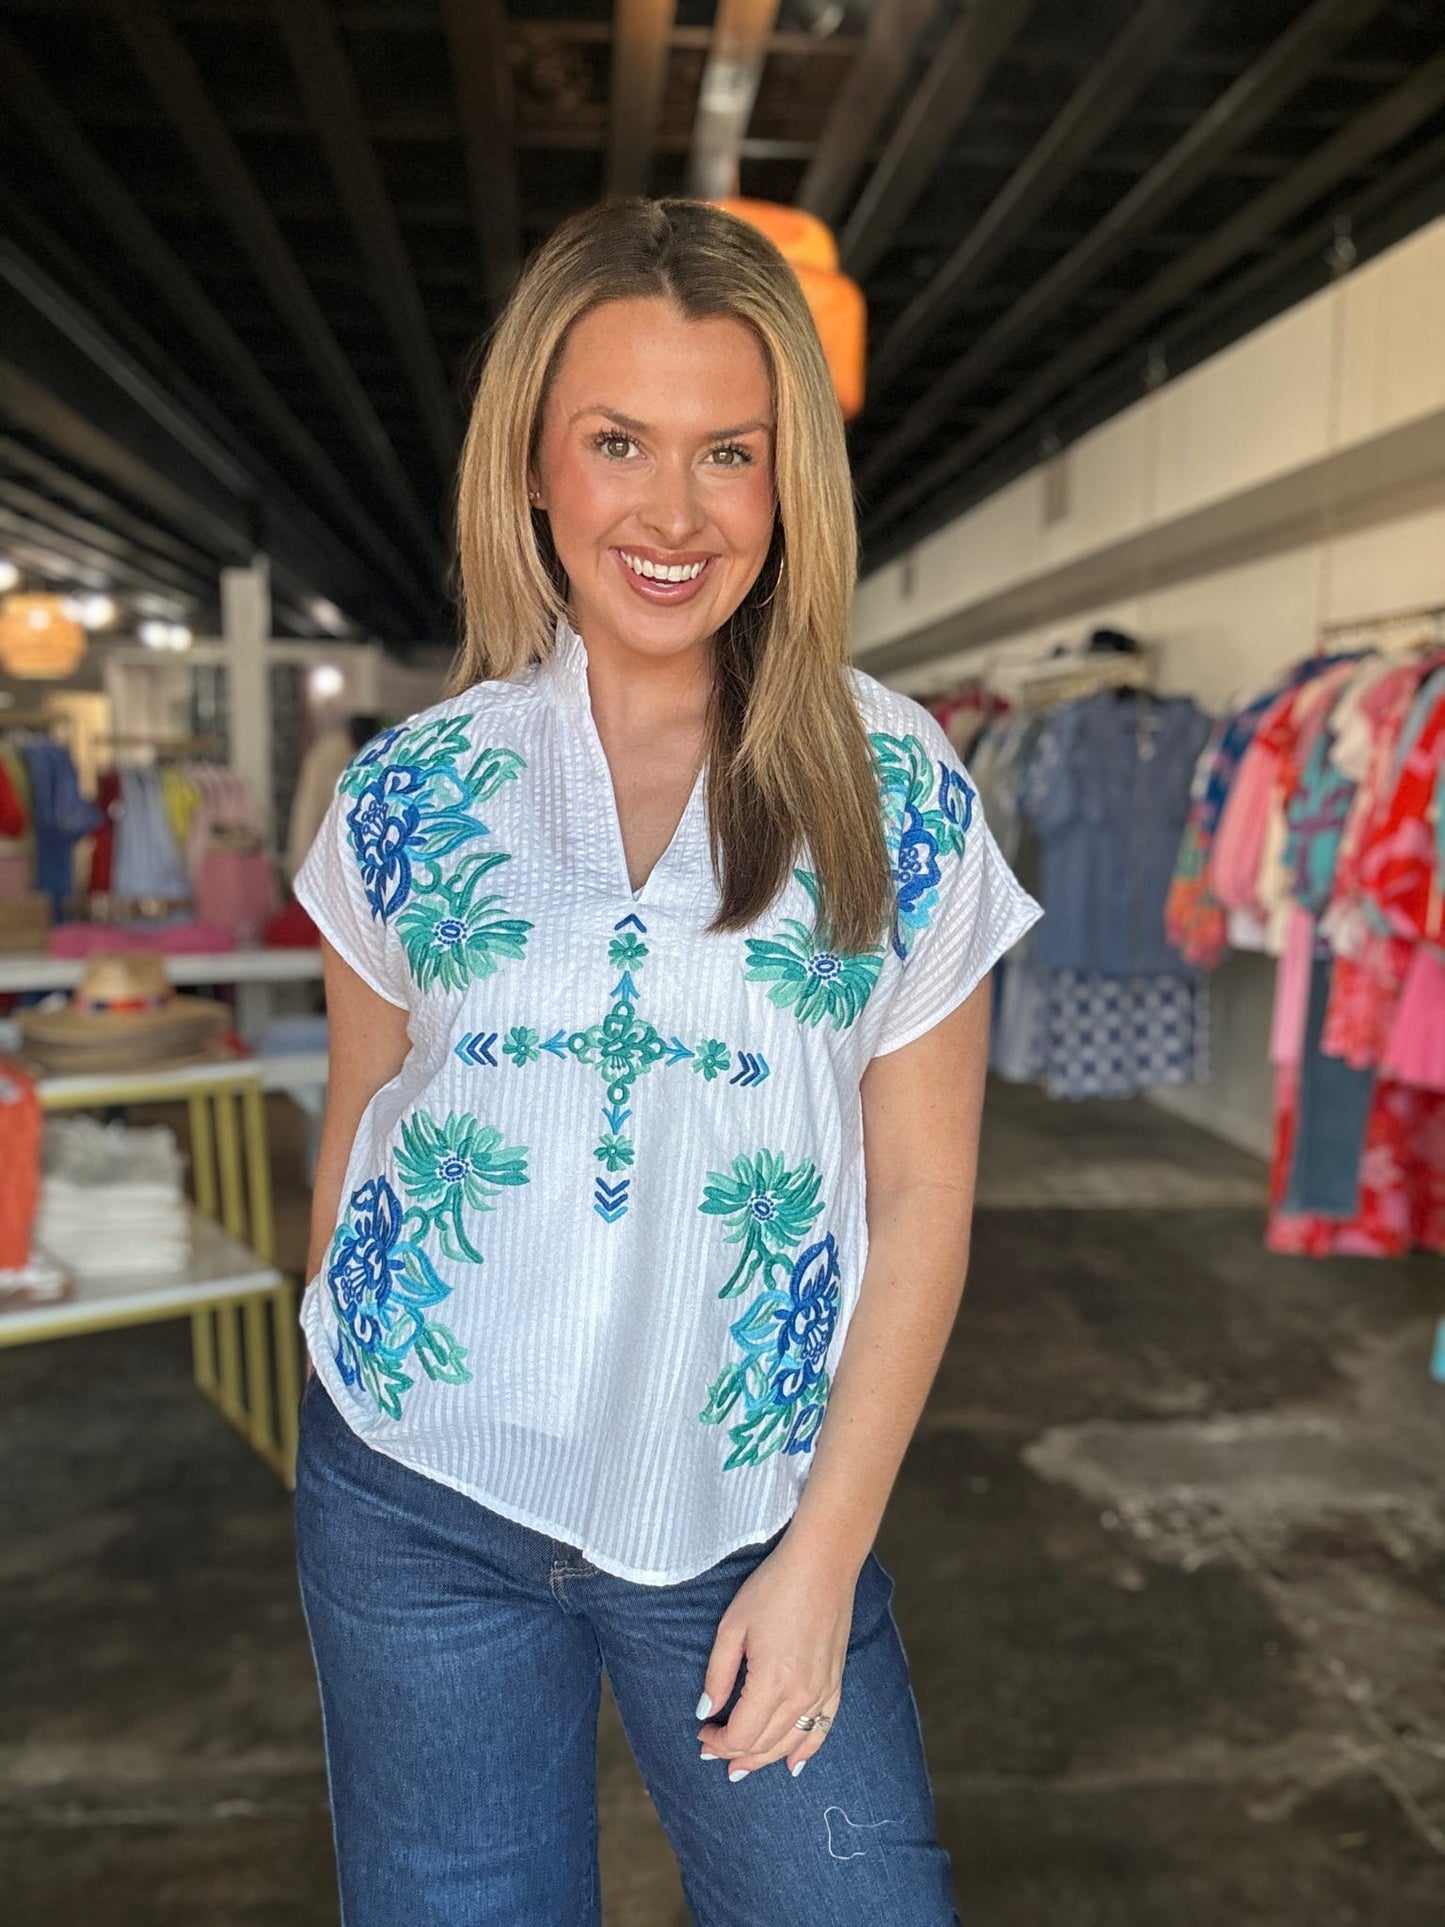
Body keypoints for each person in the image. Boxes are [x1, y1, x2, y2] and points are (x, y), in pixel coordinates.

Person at [291, 196, 1040, 1925]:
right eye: (616, 442)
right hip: (419, 1502)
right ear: (535, 468)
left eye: (729, 453)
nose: (672, 512)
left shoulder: (891, 785)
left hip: (750, 1510)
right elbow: (358, 1131)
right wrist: (353, 1393)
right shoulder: (411, 792)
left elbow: (923, 1198)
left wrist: (826, 1547)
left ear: (788, 492)